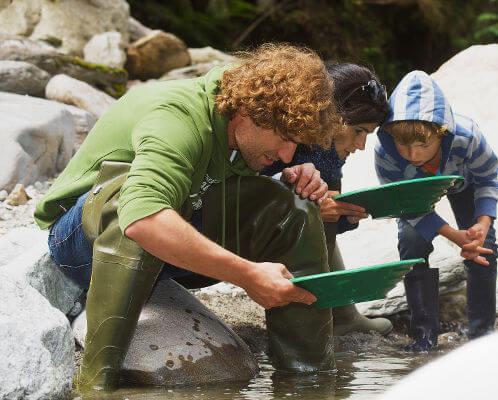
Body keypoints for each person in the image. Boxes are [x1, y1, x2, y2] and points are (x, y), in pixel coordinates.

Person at [34, 43, 342, 391]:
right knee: (136, 204)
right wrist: (248, 275)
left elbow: (220, 185)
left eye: (296, 144)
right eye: (285, 139)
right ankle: (95, 384)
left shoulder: (246, 126)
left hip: (164, 248)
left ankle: (309, 381)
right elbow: (143, 219)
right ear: (245, 110)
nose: (287, 153)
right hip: (82, 246)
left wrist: (292, 176)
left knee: (294, 206)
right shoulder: (177, 117)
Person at [262, 62, 392, 336]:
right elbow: (236, 192)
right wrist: (306, 207)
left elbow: (326, 232)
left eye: (368, 134)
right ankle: (302, 322)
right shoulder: (278, 127)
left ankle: (341, 315)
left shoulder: (330, 151)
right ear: (332, 116)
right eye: (359, 131)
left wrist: (343, 214)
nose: (361, 146)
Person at [374, 70, 498, 351]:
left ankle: (481, 334)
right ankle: (423, 337)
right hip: (413, 195)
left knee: (484, 248)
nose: (414, 154)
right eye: (403, 144)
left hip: (463, 184)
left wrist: (482, 223)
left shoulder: (467, 136)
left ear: (442, 133)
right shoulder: (385, 154)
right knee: (411, 242)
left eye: (423, 144)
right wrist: (452, 235)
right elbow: (404, 204)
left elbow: (488, 177)